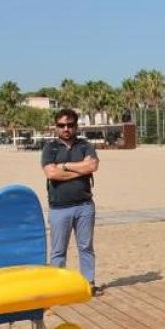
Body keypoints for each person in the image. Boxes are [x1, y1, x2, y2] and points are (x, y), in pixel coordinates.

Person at [41, 109, 100, 291]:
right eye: (61, 125)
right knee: (58, 251)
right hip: (59, 208)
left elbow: (92, 165)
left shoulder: (85, 145)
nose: (66, 129)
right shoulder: (50, 148)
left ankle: (88, 284)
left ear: (76, 126)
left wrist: (65, 166)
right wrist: (80, 170)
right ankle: (57, 287)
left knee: (86, 247)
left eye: (70, 125)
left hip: (84, 206)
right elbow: (52, 173)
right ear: (56, 127)